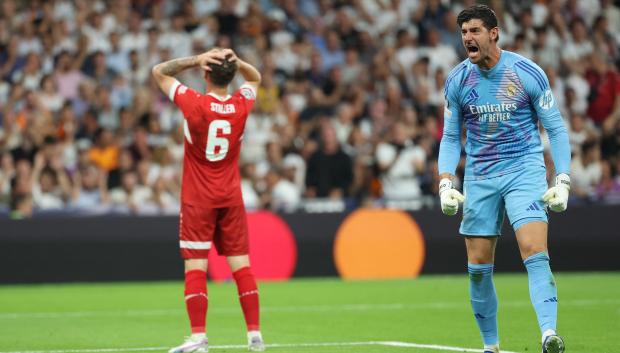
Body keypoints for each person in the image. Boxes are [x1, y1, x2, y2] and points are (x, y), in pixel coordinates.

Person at [437, 5, 571, 353]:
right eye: (464, 32)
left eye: (475, 30)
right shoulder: (457, 80)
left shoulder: (526, 72)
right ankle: (490, 346)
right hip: (480, 176)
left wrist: (563, 179)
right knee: (478, 267)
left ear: (494, 33)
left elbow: (555, 128)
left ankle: (548, 333)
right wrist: (446, 182)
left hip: (523, 170)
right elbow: (451, 138)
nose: (468, 37)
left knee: (534, 249)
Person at [152, 48, 265, 353]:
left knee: (196, 268)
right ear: (230, 76)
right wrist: (236, 61)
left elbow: (159, 71)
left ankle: (198, 337)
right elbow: (255, 78)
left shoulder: (195, 103)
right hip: (230, 196)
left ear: (205, 73)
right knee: (242, 267)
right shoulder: (242, 104)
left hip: (198, 199)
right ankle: (255, 335)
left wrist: (194, 58)